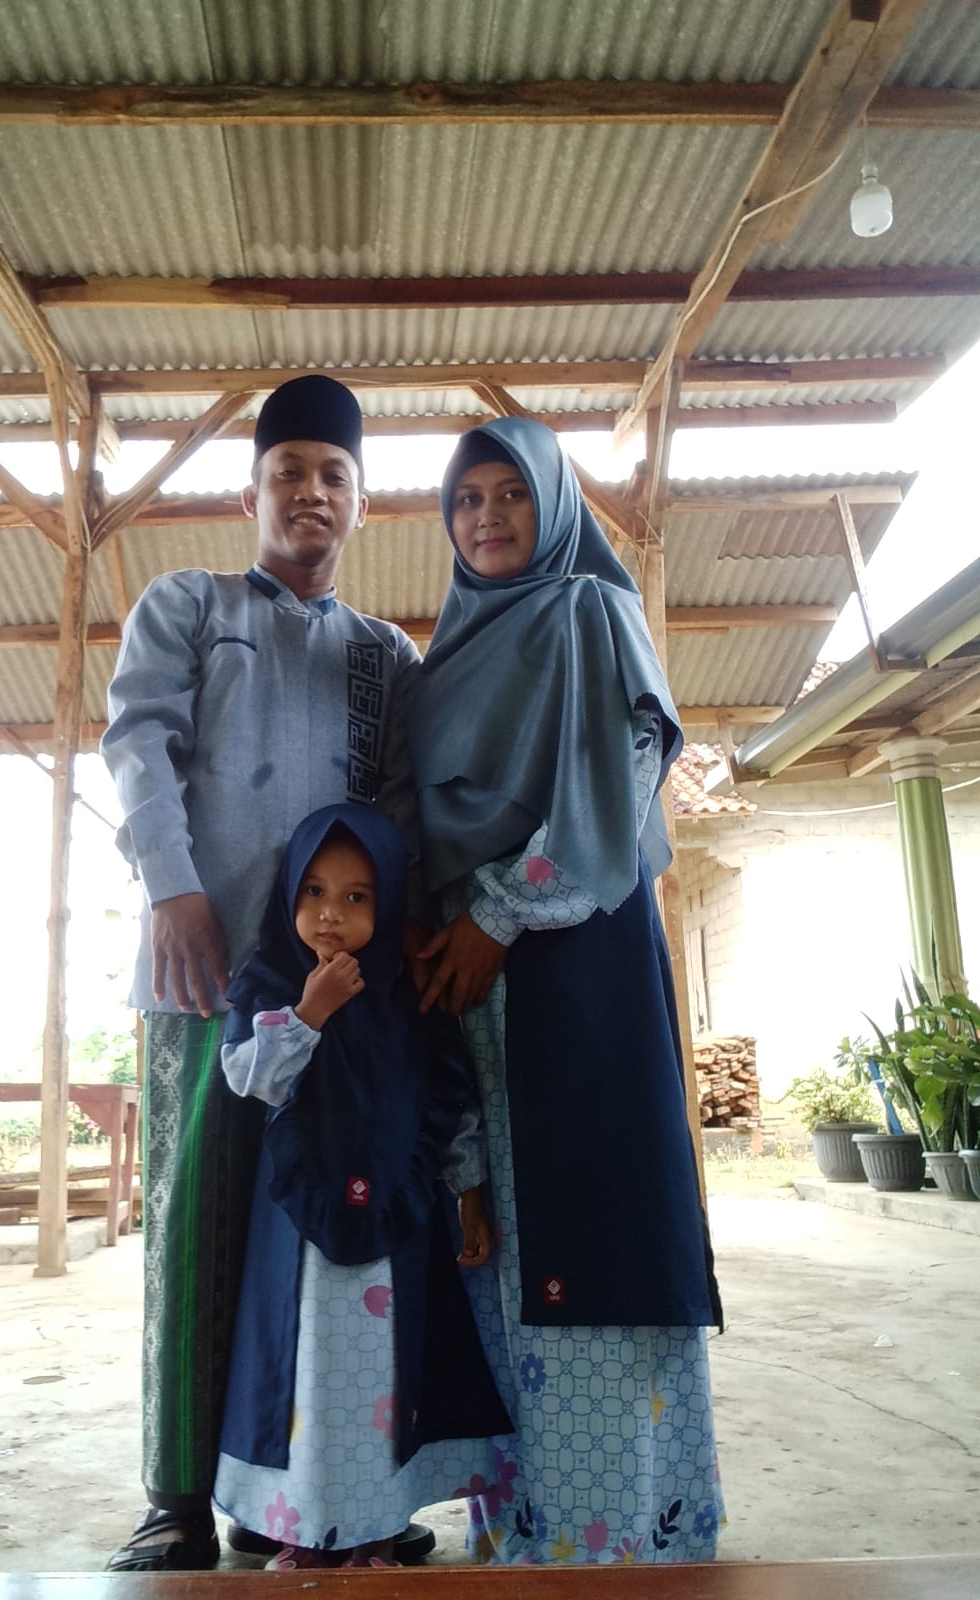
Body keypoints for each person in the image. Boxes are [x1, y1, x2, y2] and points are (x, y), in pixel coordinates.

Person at [100, 375, 429, 1572]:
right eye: (288, 471)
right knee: (196, 1235)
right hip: (201, 977)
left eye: (334, 475)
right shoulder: (189, 606)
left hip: (335, 1003)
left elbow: (400, 812)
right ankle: (179, 1496)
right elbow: (138, 738)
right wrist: (172, 888)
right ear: (252, 495)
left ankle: (292, 1491)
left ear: (361, 504)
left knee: (316, 1248)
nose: (310, 491)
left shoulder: (385, 655)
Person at [408, 416, 724, 1567]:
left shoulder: (592, 610)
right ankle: (523, 1532)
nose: (487, 516)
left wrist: (498, 913)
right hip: (474, 1001)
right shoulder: (442, 660)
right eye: (467, 498)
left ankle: (618, 1541)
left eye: (512, 493)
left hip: (575, 969)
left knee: (594, 1242)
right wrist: (453, 933)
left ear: (553, 505)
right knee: (497, 1252)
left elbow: (624, 783)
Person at [213, 802, 511, 1569]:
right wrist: (310, 1011)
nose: (330, 915)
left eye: (356, 896)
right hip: (300, 1234)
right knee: (306, 1377)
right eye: (313, 891)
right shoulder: (273, 980)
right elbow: (252, 1076)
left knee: (382, 1383)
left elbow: (448, 1100)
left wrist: (468, 1189)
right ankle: (302, 1532)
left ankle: (375, 1531)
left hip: (394, 1228)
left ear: (388, 902)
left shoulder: (408, 992)